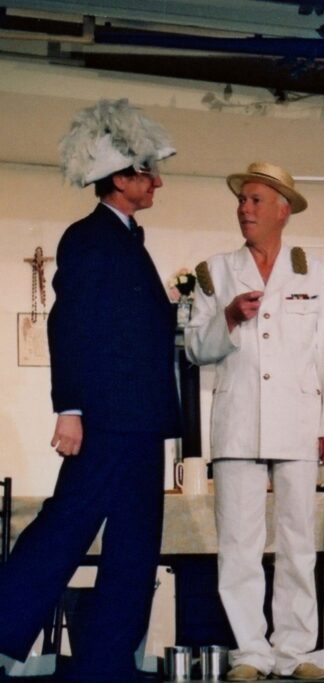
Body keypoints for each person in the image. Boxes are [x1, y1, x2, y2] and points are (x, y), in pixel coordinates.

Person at [0, 99, 180, 682]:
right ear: (120, 179)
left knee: (134, 546)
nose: (157, 182)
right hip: (105, 418)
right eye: (147, 172)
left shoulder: (126, 240)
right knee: (65, 529)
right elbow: (70, 324)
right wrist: (69, 409)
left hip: (140, 420)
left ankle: (107, 663)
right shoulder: (87, 237)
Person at [185, 162, 324, 682]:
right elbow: (195, 349)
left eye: (255, 200)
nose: (244, 209)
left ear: (282, 210)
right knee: (239, 545)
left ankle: (294, 651)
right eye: (241, 200)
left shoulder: (313, 272)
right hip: (238, 422)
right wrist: (229, 316)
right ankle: (251, 652)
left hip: (298, 421)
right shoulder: (215, 271)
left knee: (299, 541)